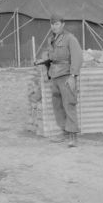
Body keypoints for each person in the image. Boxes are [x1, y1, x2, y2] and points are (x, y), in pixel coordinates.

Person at [40, 13, 83, 147]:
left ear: (63, 24)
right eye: (52, 24)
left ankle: (73, 137)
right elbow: (52, 57)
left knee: (69, 105)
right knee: (57, 106)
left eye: (57, 24)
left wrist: (73, 76)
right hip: (55, 76)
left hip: (66, 76)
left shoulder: (70, 38)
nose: (54, 26)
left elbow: (77, 57)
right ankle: (65, 132)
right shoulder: (51, 39)